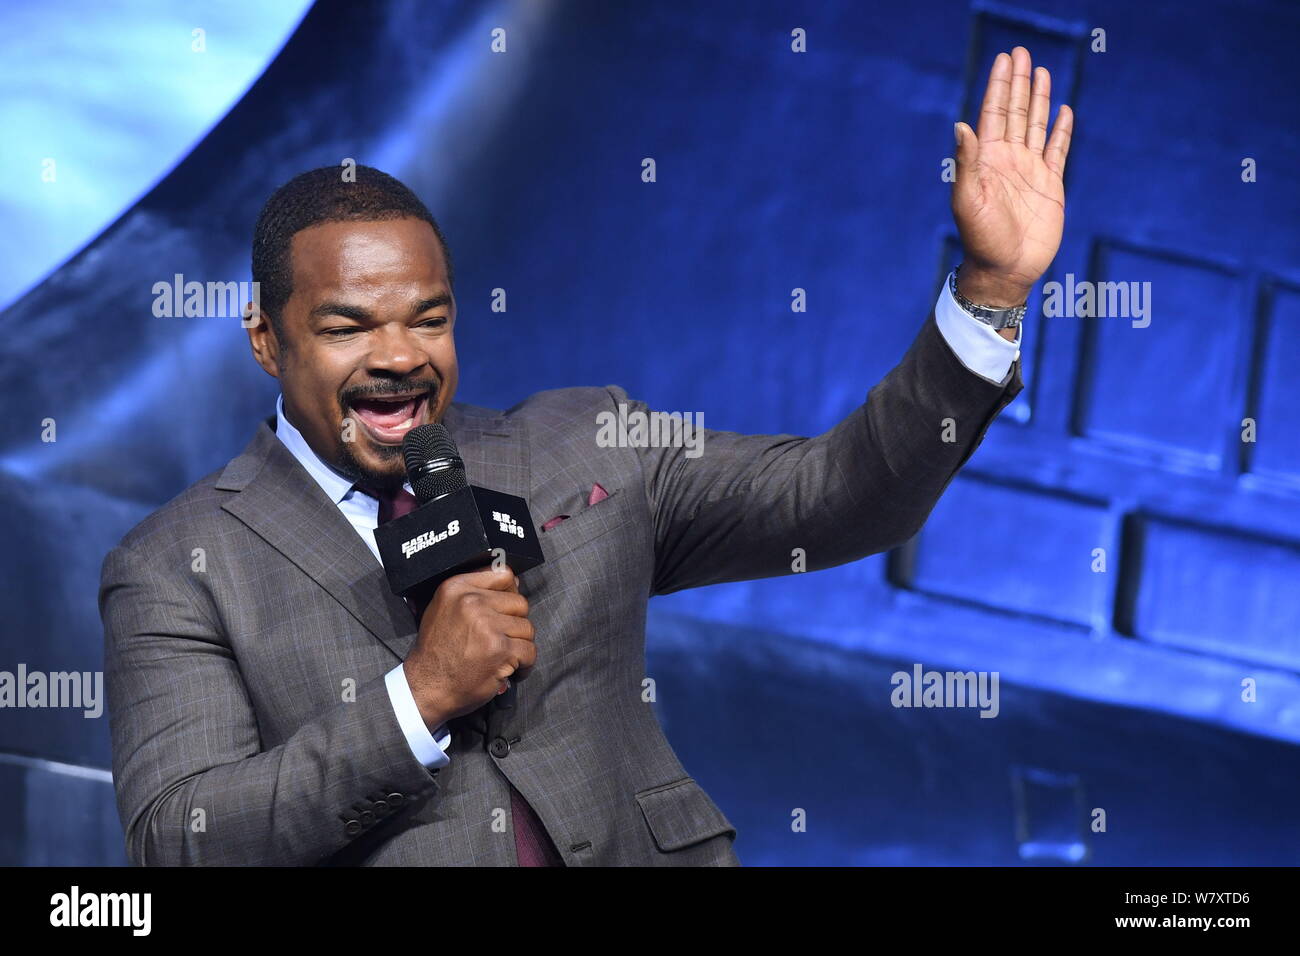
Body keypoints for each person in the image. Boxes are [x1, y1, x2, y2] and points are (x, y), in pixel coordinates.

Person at [100, 47, 1072, 865]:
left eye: (428, 320)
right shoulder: (177, 564)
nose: (399, 356)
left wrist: (989, 290)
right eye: (349, 327)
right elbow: (182, 837)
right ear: (266, 338)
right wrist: (418, 698)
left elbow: (838, 496)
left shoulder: (583, 444)